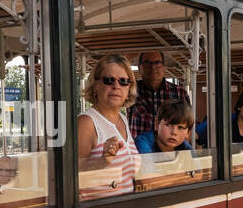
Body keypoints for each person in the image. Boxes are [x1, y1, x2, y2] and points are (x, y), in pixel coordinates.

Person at [77, 54, 140, 196]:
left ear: (129, 87)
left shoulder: (123, 119)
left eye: (123, 81)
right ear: (95, 85)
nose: (116, 86)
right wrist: (102, 161)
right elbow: (72, 177)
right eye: (109, 80)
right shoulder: (86, 122)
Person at [128, 51, 191, 136]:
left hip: (171, 148)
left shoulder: (180, 93)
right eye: (147, 62)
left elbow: (188, 123)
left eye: (157, 62)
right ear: (139, 68)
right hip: (138, 148)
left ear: (164, 67)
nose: (153, 67)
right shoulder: (130, 91)